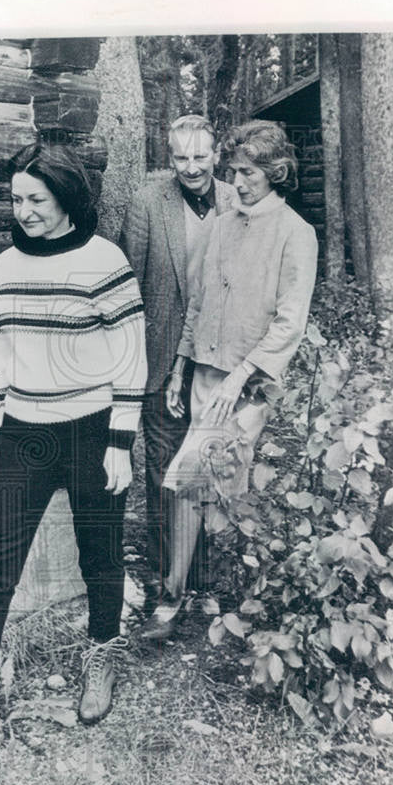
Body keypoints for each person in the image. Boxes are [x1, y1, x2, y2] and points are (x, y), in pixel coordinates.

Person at [0, 142, 147, 753]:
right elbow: (2, 354)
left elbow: (131, 357)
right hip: (23, 430)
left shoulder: (106, 263)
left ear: (67, 197)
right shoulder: (5, 268)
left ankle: (101, 655)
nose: (25, 211)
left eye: (36, 199)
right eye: (17, 199)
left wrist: (121, 441)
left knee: (101, 553)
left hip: (92, 427)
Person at [142, 119, 318, 640]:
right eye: (234, 171)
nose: (237, 183)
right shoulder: (220, 225)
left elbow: (290, 322)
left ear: (275, 172)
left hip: (248, 386)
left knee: (204, 483)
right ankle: (194, 596)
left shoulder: (296, 234)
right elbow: (197, 304)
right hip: (204, 375)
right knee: (198, 485)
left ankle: (190, 600)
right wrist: (178, 369)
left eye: (249, 173)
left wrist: (240, 377)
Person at [119, 115, 236, 608]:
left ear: (216, 155)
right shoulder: (149, 202)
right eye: (181, 157)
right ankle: (166, 581)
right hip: (161, 360)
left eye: (200, 156)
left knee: (207, 467)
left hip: (219, 364)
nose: (191, 167)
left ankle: (202, 582)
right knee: (165, 471)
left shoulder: (237, 200)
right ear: (170, 158)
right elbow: (128, 288)